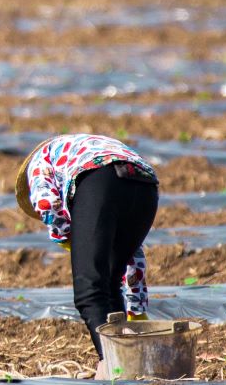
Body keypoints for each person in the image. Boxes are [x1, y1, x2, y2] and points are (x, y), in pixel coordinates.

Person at [17, 133, 160, 348]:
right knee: (110, 283)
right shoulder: (85, 147)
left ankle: (111, 366)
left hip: (98, 179)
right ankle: (129, 360)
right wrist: (136, 308)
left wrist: (69, 241)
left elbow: (47, 204)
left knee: (89, 291)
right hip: (146, 185)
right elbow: (134, 256)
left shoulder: (40, 161)